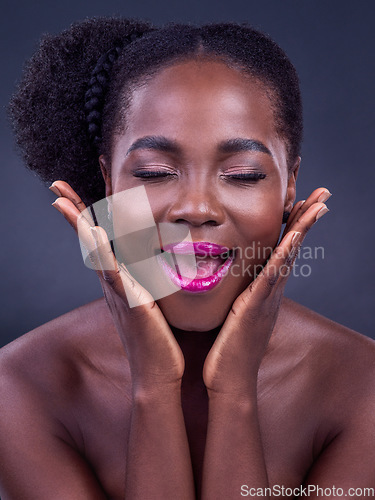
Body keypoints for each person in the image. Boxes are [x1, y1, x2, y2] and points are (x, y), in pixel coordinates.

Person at [1, 17, 374, 500]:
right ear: (108, 184)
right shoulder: (20, 386)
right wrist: (153, 388)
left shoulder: (364, 385)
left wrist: (235, 393)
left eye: (242, 174)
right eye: (155, 172)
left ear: (290, 187)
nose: (196, 208)